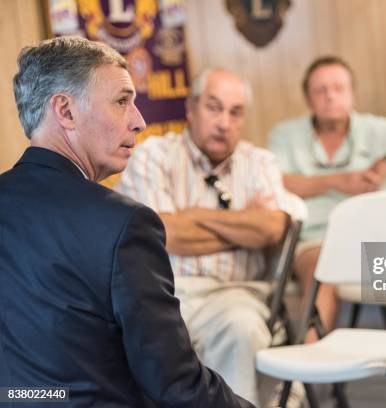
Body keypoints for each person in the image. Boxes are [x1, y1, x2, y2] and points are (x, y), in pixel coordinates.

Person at [0, 37, 250, 407]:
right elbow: (177, 387)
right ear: (66, 111)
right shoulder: (124, 224)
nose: (140, 121)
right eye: (122, 101)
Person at [116, 68, 304, 406]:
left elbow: (272, 229)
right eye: (213, 108)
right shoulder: (153, 156)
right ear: (191, 108)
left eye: (235, 112)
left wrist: (193, 215)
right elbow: (165, 233)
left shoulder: (259, 162)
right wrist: (243, 225)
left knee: (241, 327)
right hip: (168, 293)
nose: (224, 123)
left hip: (236, 294)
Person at [268, 55, 386, 339]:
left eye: (339, 88)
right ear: (308, 99)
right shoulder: (285, 135)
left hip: (369, 240)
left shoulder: (373, 129)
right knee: (323, 266)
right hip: (314, 239)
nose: (331, 97)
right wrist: (338, 181)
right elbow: (274, 181)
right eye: (321, 90)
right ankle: (307, 366)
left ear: (352, 94)